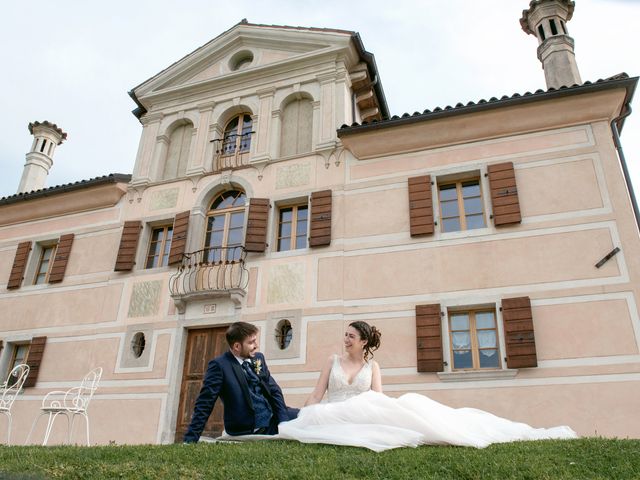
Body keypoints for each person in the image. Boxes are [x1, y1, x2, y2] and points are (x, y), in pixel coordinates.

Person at [278, 321, 577, 452]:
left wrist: (381, 410)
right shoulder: (332, 361)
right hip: (333, 410)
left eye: (351, 336)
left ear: (364, 342)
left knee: (408, 409)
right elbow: (318, 394)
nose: (345, 340)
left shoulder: (373, 367)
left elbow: (378, 397)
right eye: (345, 335)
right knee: (315, 420)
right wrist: (305, 413)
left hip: (363, 407)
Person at [183, 322, 298, 443]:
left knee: (310, 416)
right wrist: (190, 439)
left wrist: (283, 422)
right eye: (251, 342)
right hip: (249, 427)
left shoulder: (258, 358)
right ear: (237, 346)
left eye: (255, 340)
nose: (256, 345)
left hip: (272, 418)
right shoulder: (220, 366)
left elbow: (274, 391)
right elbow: (205, 403)